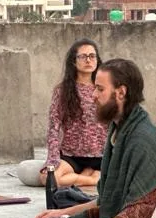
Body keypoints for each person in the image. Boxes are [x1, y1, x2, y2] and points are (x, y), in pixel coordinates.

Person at [32, 58, 156, 218]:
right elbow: (107, 201)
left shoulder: (144, 141)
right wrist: (61, 212)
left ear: (121, 92)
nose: (93, 95)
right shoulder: (118, 130)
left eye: (99, 89)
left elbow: (136, 213)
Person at [17, 39, 107, 188]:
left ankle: (84, 176)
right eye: (83, 56)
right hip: (72, 155)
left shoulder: (104, 88)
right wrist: (52, 159)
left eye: (92, 56)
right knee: (48, 179)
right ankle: (91, 179)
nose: (88, 60)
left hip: (100, 155)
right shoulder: (62, 91)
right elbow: (53, 127)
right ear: (73, 61)